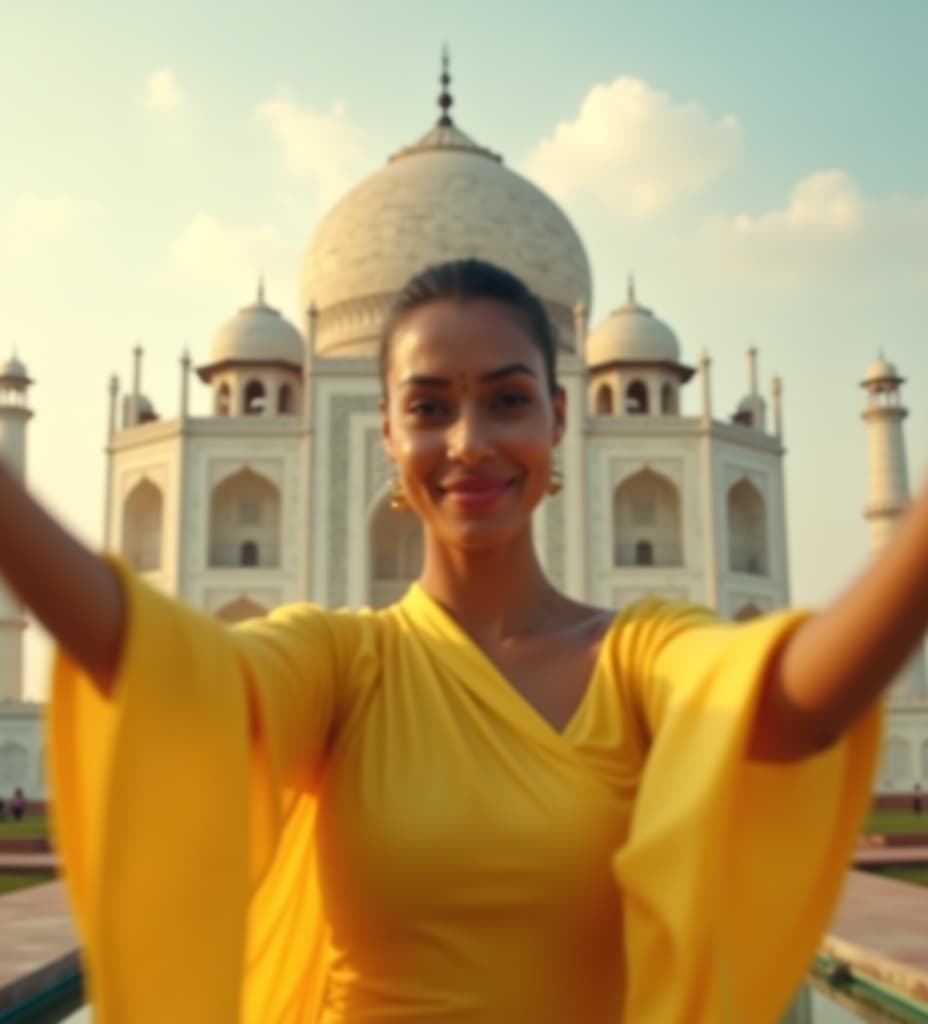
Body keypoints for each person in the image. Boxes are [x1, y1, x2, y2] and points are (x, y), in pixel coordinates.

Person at [0, 259, 925, 1024]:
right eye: (431, 406)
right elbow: (165, 671)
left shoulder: (641, 656)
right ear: (385, 432)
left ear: (563, 417)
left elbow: (795, 709)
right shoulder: (342, 663)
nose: (470, 440)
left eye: (509, 400)